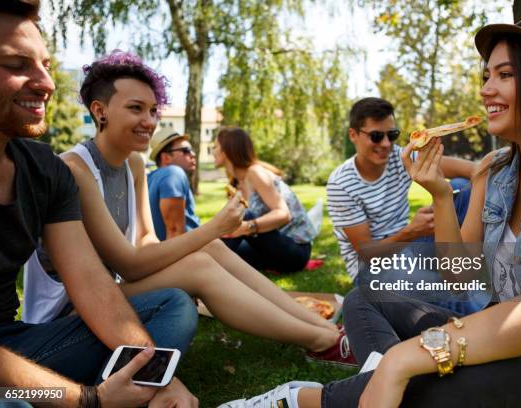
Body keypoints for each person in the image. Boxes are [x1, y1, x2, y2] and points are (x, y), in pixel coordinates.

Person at [219, 2, 521, 406]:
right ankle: (387, 385)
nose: (485, 89)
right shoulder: (493, 170)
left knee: (452, 374)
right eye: (486, 75)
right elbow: (463, 277)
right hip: (504, 337)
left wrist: (407, 359)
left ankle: (302, 399)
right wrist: (441, 193)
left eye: (505, 75)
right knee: (366, 295)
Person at [22, 50, 354, 366]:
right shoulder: (76, 169)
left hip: (107, 295)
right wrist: (216, 227)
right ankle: (320, 341)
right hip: (67, 314)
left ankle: (317, 324)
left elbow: (147, 242)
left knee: (209, 249)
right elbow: (130, 264)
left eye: (153, 110)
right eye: (136, 108)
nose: (149, 121)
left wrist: (208, 239)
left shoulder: (134, 165)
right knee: (200, 263)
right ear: (99, 111)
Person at [0, 1, 198, 407]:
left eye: (46, 65)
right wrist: (88, 399)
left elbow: (91, 282)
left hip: (16, 343)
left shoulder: (42, 169)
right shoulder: (75, 165)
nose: (46, 83)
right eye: (17, 64)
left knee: (172, 303)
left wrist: (153, 372)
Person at [326, 97, 475, 283]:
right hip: (372, 267)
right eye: (376, 136)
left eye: (392, 135)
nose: (387, 144)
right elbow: (367, 254)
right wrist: (412, 231)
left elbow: (473, 170)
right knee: (441, 288)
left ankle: (464, 264)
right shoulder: (341, 183)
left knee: (461, 187)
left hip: (411, 246)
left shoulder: (401, 156)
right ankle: (480, 303)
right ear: (353, 135)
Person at [216, 127, 317, 273]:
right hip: (266, 247)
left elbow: (283, 214)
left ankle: (201, 272)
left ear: (226, 150)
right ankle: (203, 265)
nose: (212, 151)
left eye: (215, 147)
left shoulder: (255, 172)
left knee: (244, 217)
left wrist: (246, 227)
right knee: (227, 255)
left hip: (295, 250)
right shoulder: (235, 185)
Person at [148, 127, 200, 240]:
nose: (193, 154)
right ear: (166, 158)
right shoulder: (173, 174)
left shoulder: (150, 178)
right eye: (186, 150)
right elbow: (175, 233)